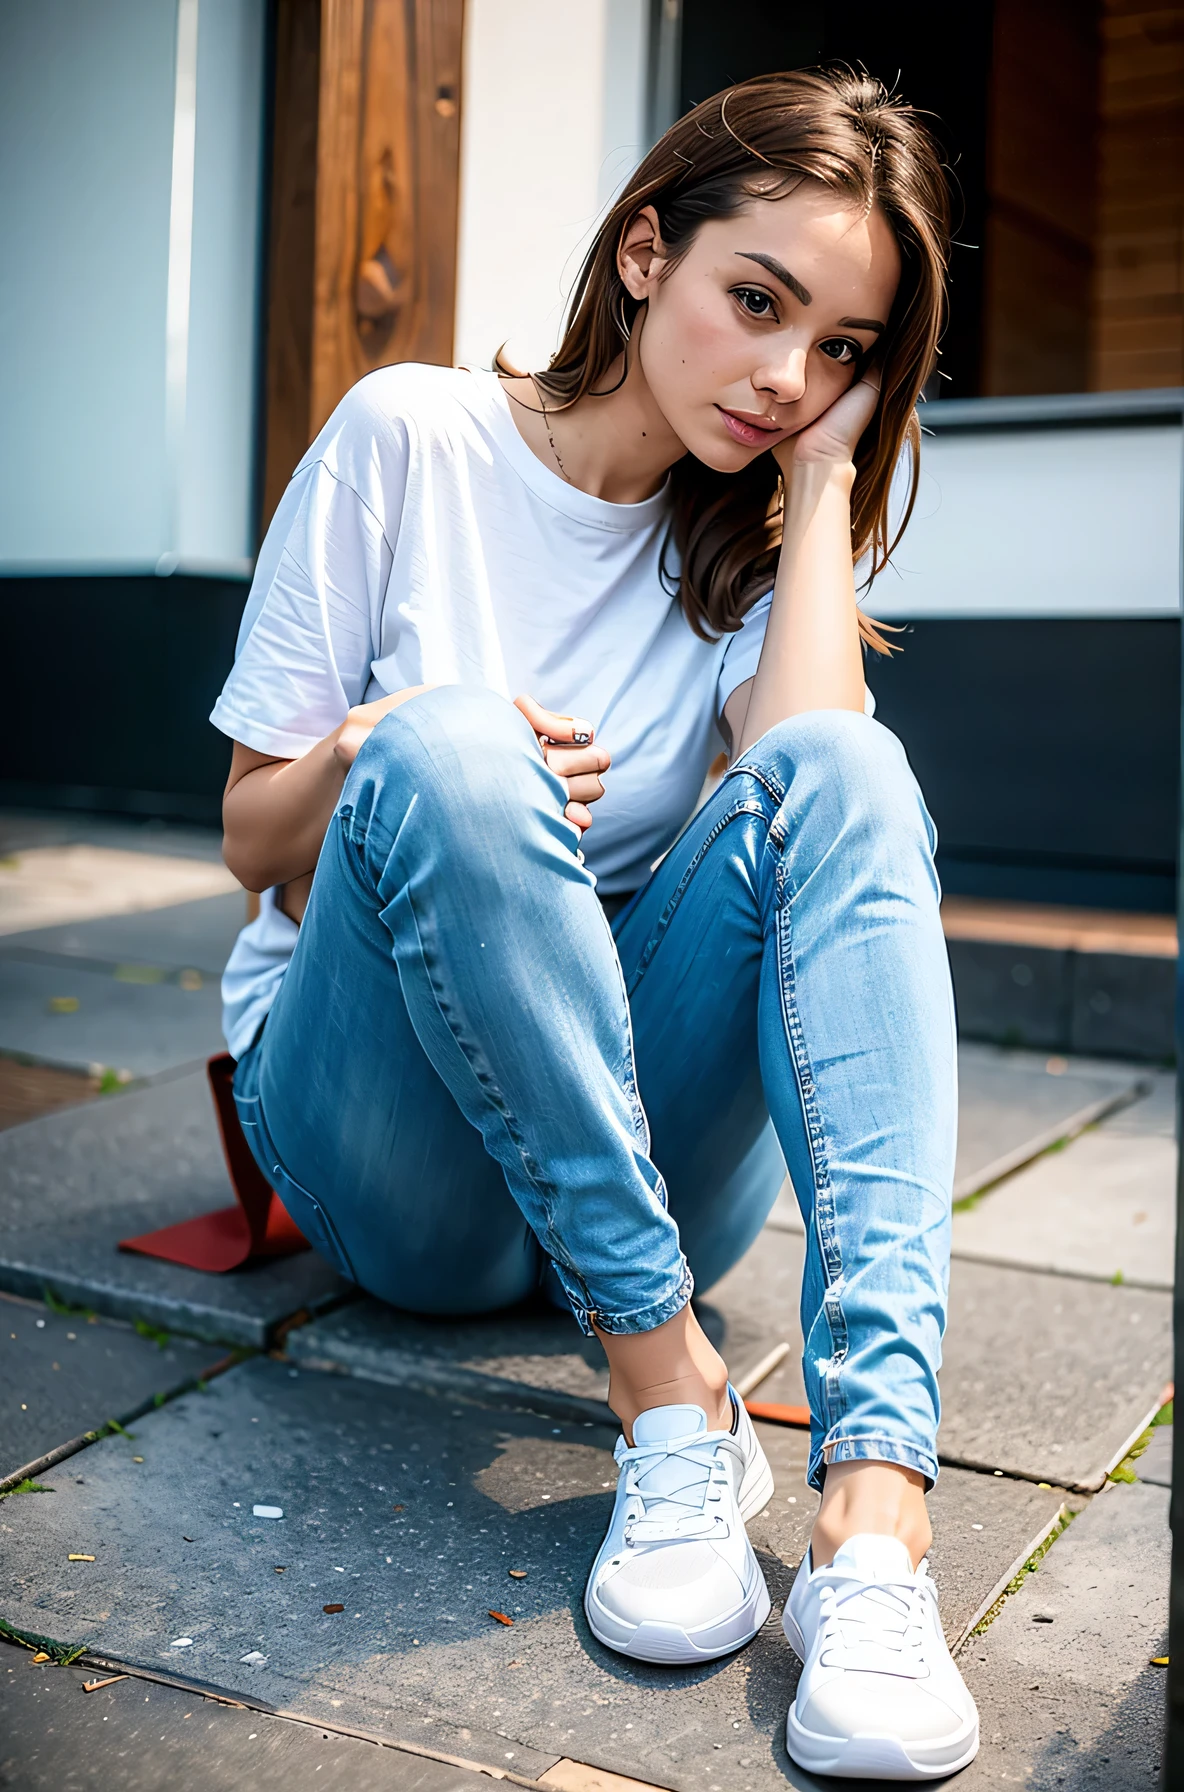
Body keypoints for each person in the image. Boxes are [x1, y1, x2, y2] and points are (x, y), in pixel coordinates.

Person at [214, 67, 978, 1781]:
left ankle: (873, 1522)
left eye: (844, 347)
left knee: (856, 769)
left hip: (632, 1155)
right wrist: (376, 747)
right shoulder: (410, 437)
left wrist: (820, 508)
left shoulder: (743, 535)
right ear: (647, 253)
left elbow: (810, 801)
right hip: (394, 1164)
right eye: (757, 302)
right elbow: (250, 845)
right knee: (453, 744)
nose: (788, 376)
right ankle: (668, 1396)